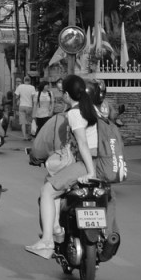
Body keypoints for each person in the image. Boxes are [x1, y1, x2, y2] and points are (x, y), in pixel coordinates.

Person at [25, 74, 103, 258]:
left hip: (86, 163)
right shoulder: (92, 109)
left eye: (62, 92)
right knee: (56, 186)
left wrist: (90, 171)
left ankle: (47, 241)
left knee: (46, 191)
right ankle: (58, 230)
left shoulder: (75, 113)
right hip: (97, 161)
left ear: (67, 94)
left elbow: (83, 144)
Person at [14, 75, 37, 140]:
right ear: (29, 81)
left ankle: (24, 136)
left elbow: (16, 96)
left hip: (21, 106)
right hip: (29, 106)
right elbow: (33, 97)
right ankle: (29, 135)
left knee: (23, 123)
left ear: (24, 80)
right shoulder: (32, 87)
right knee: (29, 122)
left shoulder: (20, 86)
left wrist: (18, 100)